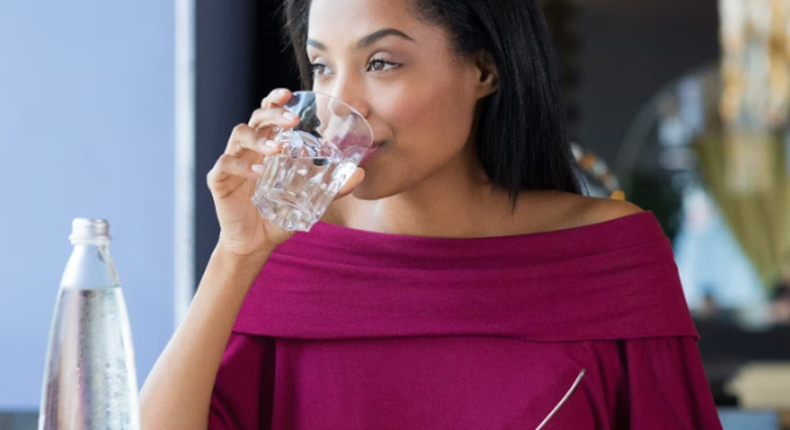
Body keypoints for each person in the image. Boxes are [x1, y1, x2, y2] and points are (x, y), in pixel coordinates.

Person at [140, 0, 723, 428]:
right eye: (322, 68)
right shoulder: (284, 253)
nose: (344, 108)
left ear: (484, 71)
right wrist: (236, 253)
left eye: (382, 63)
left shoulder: (610, 257)